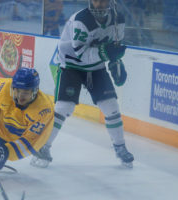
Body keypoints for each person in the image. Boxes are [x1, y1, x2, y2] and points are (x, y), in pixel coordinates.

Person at [30, 0, 134, 168]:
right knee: (64, 107)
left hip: (96, 67)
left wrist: (115, 62)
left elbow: (113, 46)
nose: (99, 4)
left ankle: (120, 147)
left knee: (111, 106)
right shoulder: (81, 20)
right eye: (96, 0)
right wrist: (105, 53)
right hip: (71, 65)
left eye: (103, 1)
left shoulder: (118, 19)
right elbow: (81, 54)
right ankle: (43, 146)